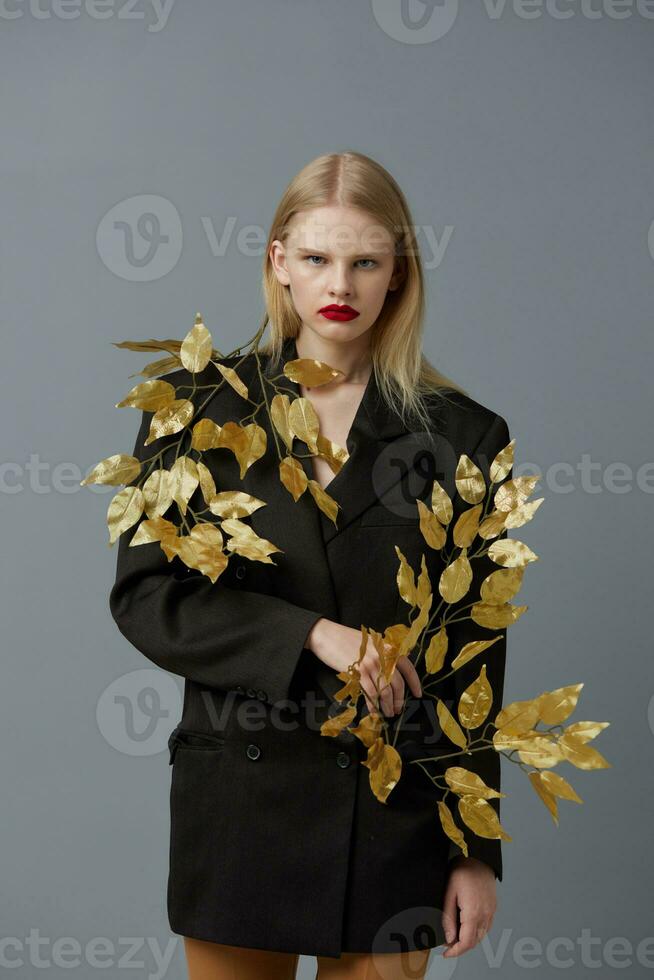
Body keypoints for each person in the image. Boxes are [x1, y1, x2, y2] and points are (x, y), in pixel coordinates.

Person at [109, 151, 511, 979]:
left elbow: (474, 652)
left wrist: (474, 847)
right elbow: (149, 596)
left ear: (397, 275)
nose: (342, 283)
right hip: (240, 803)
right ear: (278, 261)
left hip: (393, 809)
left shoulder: (466, 437)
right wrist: (313, 636)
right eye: (319, 258)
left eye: (366, 261)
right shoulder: (193, 411)